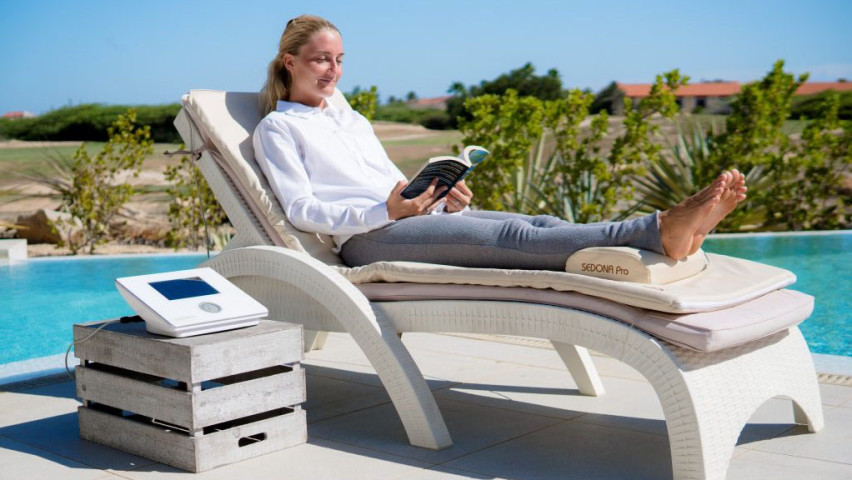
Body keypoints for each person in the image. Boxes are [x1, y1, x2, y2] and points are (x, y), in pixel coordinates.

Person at [253, 15, 747, 270]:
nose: (333, 70)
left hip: (410, 220)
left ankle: (676, 233)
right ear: (290, 62)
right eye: (321, 59)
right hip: (367, 241)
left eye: (339, 59)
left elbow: (393, 185)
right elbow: (300, 210)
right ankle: (659, 228)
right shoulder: (279, 127)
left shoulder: (350, 118)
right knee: (515, 239)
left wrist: (439, 197)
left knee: (538, 222)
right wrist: (384, 213)